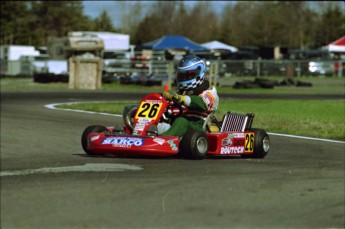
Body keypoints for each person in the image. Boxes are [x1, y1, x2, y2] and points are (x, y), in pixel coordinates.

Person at [159, 55, 219, 137]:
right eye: (182, 75)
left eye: (188, 75)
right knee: (161, 119)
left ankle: (162, 141)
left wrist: (181, 98)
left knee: (181, 121)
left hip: (196, 128)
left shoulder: (209, 93)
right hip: (176, 122)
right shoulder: (179, 92)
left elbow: (201, 103)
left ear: (199, 73)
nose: (184, 78)